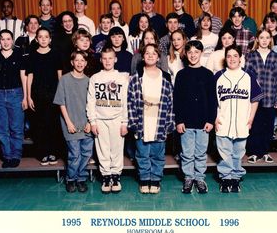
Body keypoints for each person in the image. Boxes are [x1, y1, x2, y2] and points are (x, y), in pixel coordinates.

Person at [214, 45, 263, 193]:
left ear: (240, 58)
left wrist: (251, 118)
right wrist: (214, 118)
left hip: (242, 121)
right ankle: (225, 178)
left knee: (238, 152)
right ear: (225, 58)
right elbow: (212, 100)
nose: (232, 59)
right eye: (229, 56)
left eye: (235, 56)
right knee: (224, 153)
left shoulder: (248, 76)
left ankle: (235, 178)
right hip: (223, 121)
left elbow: (255, 99)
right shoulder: (218, 76)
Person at [128, 43, 174, 194]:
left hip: (159, 123)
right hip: (142, 123)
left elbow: (170, 103)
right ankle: (144, 179)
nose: (150, 56)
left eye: (153, 53)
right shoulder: (136, 78)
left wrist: (169, 124)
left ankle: (155, 179)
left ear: (158, 57)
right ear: (142, 56)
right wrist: (133, 122)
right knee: (142, 154)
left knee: (157, 154)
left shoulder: (165, 78)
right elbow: (130, 101)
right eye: (147, 53)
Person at [173, 40, 216, 194]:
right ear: (186, 54)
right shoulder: (181, 75)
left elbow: (212, 100)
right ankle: (188, 177)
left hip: (203, 122)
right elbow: (176, 100)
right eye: (190, 52)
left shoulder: (208, 74)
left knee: (200, 152)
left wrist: (211, 120)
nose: (193, 55)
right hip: (186, 122)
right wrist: (179, 121)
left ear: (201, 53)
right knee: (187, 152)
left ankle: (199, 178)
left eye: (196, 52)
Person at [87, 47, 128, 193]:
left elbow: (125, 102)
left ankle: (116, 176)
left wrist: (125, 122)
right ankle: (106, 176)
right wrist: (92, 121)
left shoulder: (122, 78)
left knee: (116, 149)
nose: (107, 61)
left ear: (115, 59)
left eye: (110, 58)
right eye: (104, 58)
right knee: (102, 149)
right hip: (100, 119)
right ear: (100, 60)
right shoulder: (95, 78)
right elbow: (90, 101)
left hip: (117, 119)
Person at [0, 29, 27, 168]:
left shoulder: (19, 55)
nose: (6, 42)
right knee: (0, 128)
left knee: (16, 127)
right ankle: (7, 156)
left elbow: (23, 77)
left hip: (16, 94)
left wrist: (26, 96)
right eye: (3, 39)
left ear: (12, 40)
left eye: (8, 39)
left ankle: (15, 156)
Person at [53, 51, 94, 193]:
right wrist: (68, 123)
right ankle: (71, 179)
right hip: (70, 124)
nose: (80, 63)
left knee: (86, 154)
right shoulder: (64, 80)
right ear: (72, 62)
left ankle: (81, 179)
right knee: (74, 154)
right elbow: (61, 103)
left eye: (83, 60)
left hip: (86, 124)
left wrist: (90, 122)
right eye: (77, 60)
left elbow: (92, 104)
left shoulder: (90, 81)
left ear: (86, 63)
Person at [245, 28, 277, 163]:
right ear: (257, 39)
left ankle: (265, 151)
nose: (264, 40)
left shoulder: (275, 56)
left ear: (270, 40)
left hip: (270, 97)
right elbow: (247, 77)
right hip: (254, 99)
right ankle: (254, 152)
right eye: (261, 37)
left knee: (268, 127)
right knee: (255, 125)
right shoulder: (251, 55)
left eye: (267, 37)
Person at [27, 27, 62, 165]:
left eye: (46, 36)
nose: (43, 39)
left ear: (50, 39)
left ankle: (53, 152)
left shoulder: (55, 54)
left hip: (53, 94)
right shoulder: (32, 55)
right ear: (36, 39)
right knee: (39, 125)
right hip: (37, 94)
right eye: (40, 37)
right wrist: (29, 96)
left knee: (53, 124)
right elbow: (30, 76)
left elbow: (60, 76)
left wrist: (61, 94)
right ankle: (43, 153)